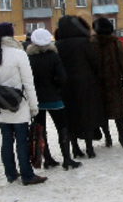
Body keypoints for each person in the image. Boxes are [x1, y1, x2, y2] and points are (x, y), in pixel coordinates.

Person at [0, 22, 45, 185]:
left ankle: (10, 173)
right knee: (22, 140)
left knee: (6, 140)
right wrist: (34, 106)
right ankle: (27, 174)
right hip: (18, 104)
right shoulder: (19, 54)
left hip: (1, 105)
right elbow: (28, 82)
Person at [27, 27, 82, 169]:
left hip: (36, 99)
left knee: (41, 129)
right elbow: (62, 78)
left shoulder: (29, 58)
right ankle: (67, 159)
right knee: (62, 126)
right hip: (54, 97)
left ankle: (48, 158)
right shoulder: (53, 57)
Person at [55, 15, 105, 158]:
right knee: (87, 115)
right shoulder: (83, 42)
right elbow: (94, 63)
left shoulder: (57, 45)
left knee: (71, 116)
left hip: (66, 86)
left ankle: (75, 148)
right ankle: (89, 148)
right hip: (85, 84)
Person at [92, 17, 123, 148]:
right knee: (117, 111)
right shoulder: (115, 42)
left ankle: (108, 137)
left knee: (103, 111)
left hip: (97, 83)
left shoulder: (91, 43)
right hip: (114, 82)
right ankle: (122, 136)